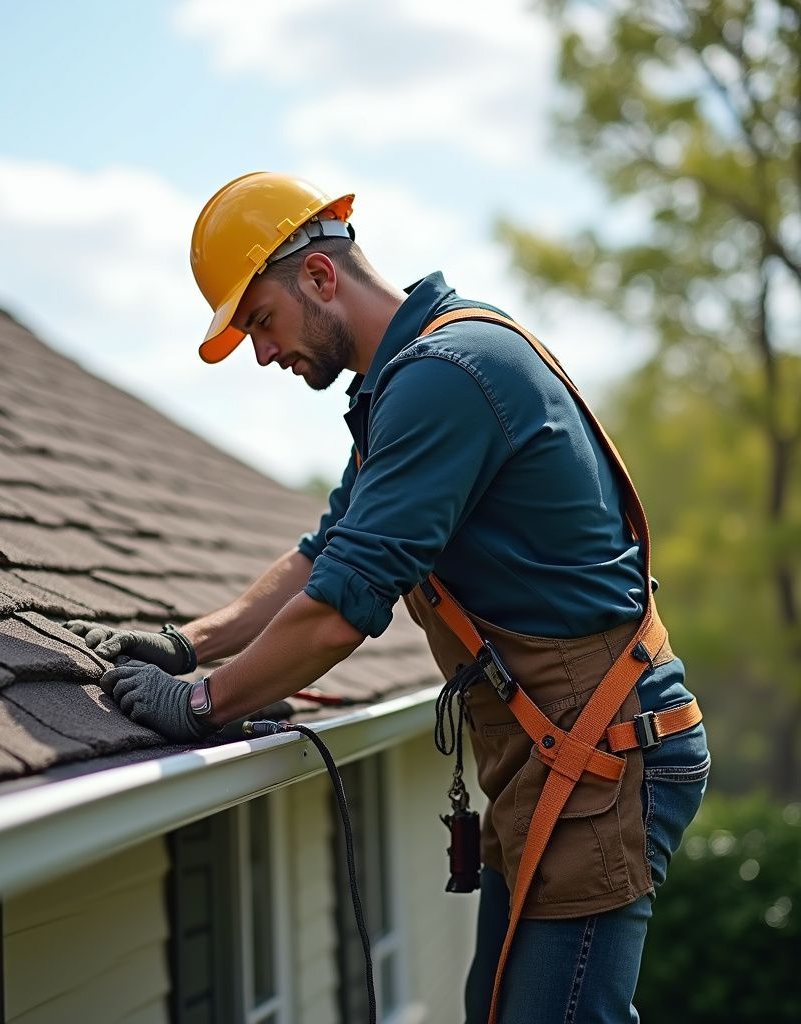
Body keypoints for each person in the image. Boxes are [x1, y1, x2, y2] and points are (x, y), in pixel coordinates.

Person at [65, 172, 710, 1024]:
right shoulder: (405, 384)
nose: (262, 353)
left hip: (604, 751)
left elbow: (338, 612)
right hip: (550, 755)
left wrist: (202, 704)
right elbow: (325, 555)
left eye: (261, 320)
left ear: (321, 279)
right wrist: (189, 645)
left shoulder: (448, 376)